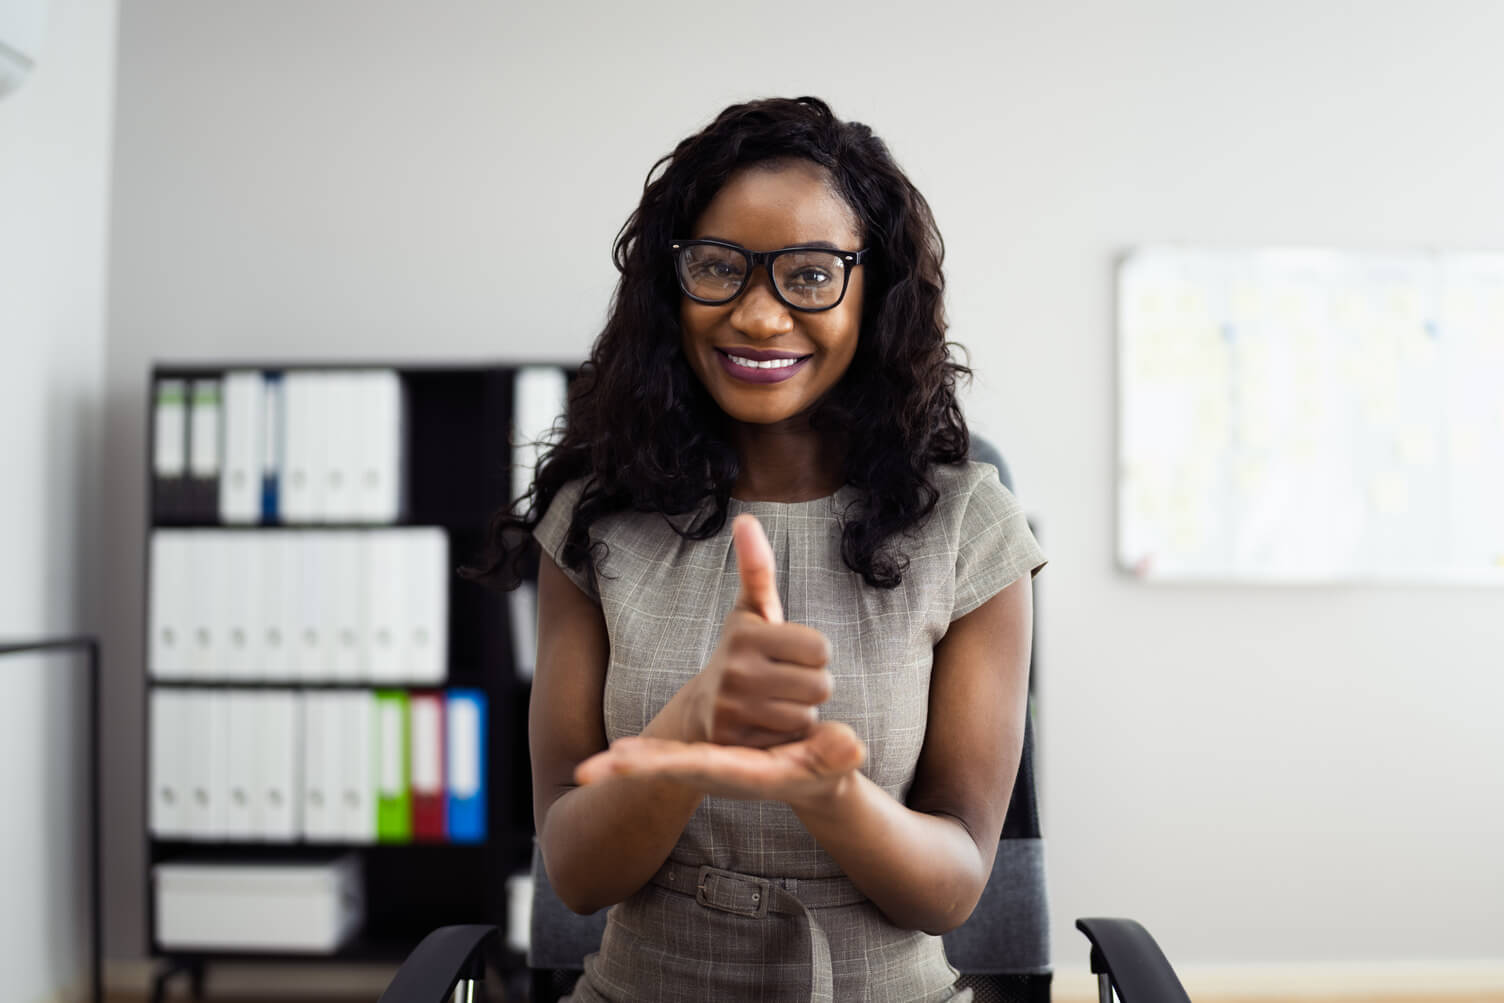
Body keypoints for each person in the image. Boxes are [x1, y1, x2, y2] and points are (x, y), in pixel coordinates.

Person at [469, 96, 1045, 1002]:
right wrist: (694, 726)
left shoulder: (970, 528)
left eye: (810, 275)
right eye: (719, 268)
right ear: (674, 283)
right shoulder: (596, 522)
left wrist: (827, 788)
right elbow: (576, 875)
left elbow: (956, 885)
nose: (759, 316)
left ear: (874, 289)